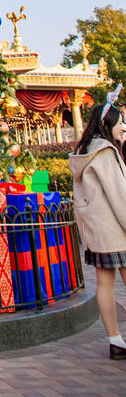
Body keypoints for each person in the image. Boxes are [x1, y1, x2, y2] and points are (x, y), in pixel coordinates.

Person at [69, 84, 126, 360]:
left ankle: (115, 340)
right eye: (121, 124)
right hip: (117, 231)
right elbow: (120, 196)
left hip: (98, 233)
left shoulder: (85, 151)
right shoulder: (105, 153)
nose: (123, 129)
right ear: (107, 125)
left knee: (105, 285)